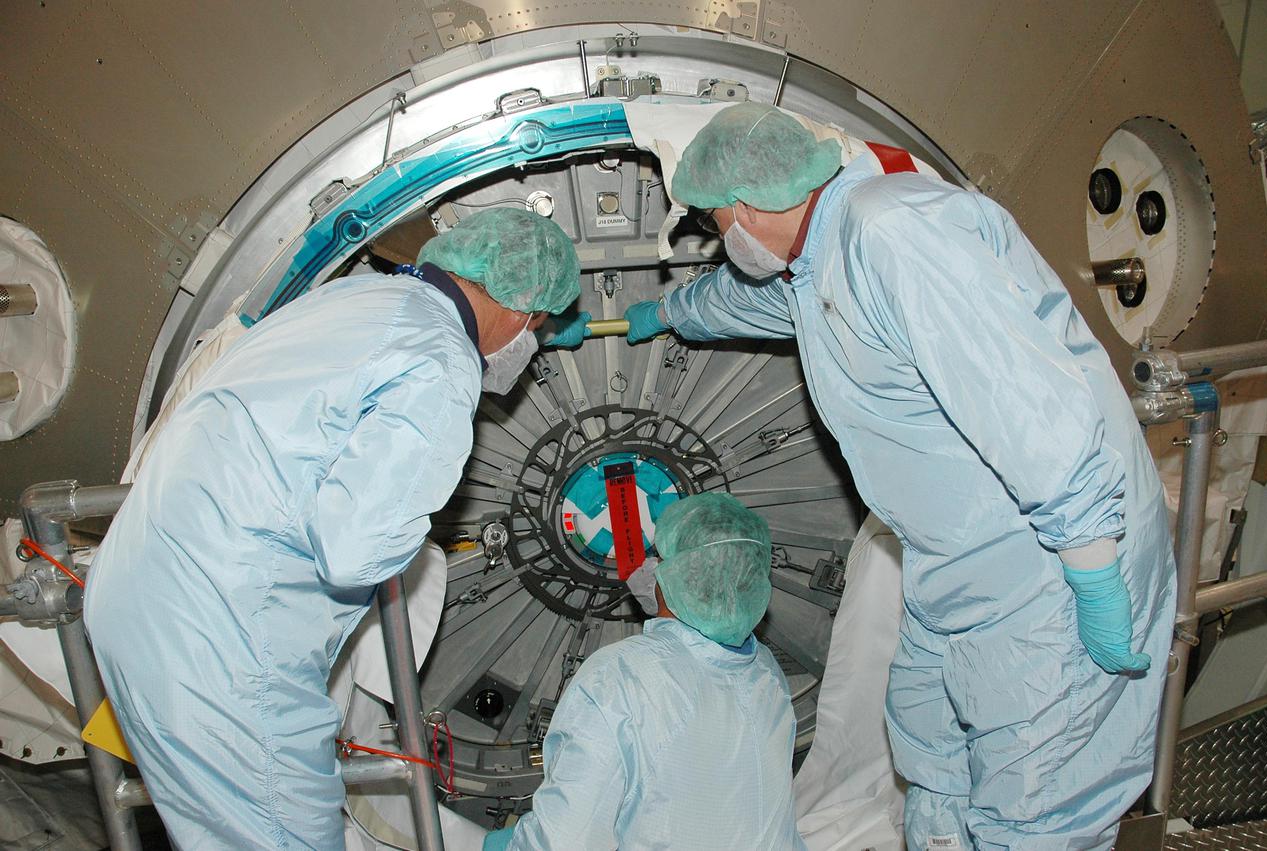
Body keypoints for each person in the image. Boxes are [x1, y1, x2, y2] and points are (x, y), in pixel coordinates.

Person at [616, 103, 1175, 850]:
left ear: (749, 206)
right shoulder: (821, 253)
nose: (725, 241)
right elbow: (757, 299)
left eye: (718, 223)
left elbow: (1026, 403)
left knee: (1037, 808)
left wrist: (1093, 565)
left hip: (1050, 565)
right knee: (928, 741)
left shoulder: (892, 234)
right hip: (958, 564)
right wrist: (669, 312)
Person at [83, 206, 580, 849]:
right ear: (523, 309)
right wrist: (418, 527)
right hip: (225, 640)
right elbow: (356, 551)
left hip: (139, 592)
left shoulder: (359, 297)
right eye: (539, 324)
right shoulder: (440, 360)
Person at [483, 492, 806, 851]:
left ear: (677, 573)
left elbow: (563, 841)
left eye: (659, 558)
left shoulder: (619, 676)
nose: (650, 566)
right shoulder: (767, 674)